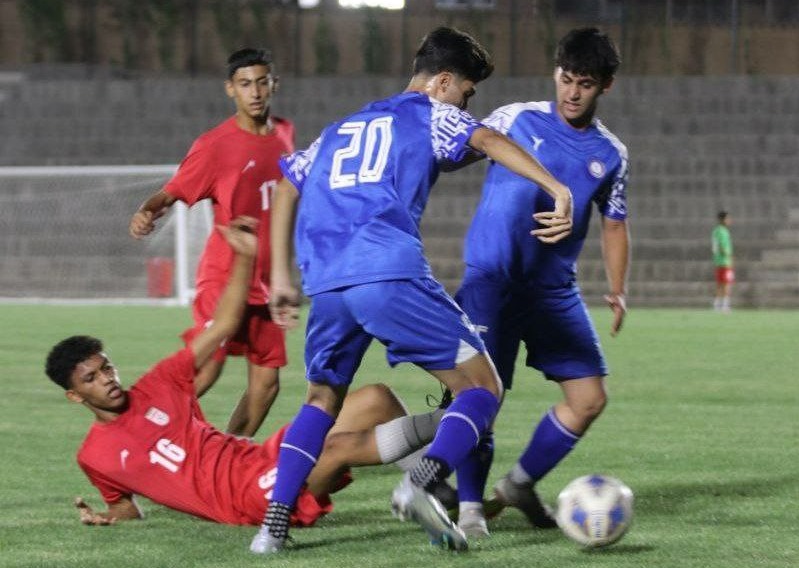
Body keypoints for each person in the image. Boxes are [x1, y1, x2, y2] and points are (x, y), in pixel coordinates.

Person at [251, 26, 574, 554]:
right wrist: (556, 188)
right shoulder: (429, 111)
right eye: (467, 93)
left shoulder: (340, 127)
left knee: (321, 399)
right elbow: (487, 140)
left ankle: (273, 527)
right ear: (443, 81)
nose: (467, 104)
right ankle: (419, 483)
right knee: (483, 387)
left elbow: (287, 185)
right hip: (387, 271)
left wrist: (282, 275)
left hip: (328, 281)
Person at [46, 217, 446, 528]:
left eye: (106, 368)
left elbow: (221, 326)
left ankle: (432, 490)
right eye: (91, 379)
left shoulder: (158, 384)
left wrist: (245, 256)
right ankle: (455, 422)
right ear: (74, 396)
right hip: (247, 499)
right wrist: (107, 518)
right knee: (336, 447)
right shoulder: (94, 457)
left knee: (376, 398)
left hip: (259, 458)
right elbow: (125, 509)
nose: (107, 380)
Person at [449, 27, 629, 536]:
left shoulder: (611, 153)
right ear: (555, 73)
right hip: (491, 282)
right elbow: (457, 149)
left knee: (589, 398)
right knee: (481, 399)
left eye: (586, 84)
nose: (572, 92)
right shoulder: (514, 118)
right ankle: (467, 509)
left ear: (605, 87)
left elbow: (615, 223)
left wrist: (617, 288)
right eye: (567, 79)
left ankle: (519, 485)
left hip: (553, 292)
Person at [128, 48, 295, 438]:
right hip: (225, 277)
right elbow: (170, 192)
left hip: (268, 285)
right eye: (244, 84)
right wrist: (147, 210)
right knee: (206, 370)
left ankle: (231, 458)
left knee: (267, 385)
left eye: (261, 82)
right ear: (230, 90)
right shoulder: (215, 145)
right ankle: (138, 439)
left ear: (274, 84)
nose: (254, 92)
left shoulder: (286, 133)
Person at [712, 210, 734, 312]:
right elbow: (722, 245)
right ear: (722, 219)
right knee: (726, 283)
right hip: (724, 261)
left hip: (718, 261)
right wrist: (727, 255)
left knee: (720, 284)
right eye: (727, 218)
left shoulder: (716, 230)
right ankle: (725, 305)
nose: (729, 220)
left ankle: (717, 304)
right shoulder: (722, 231)